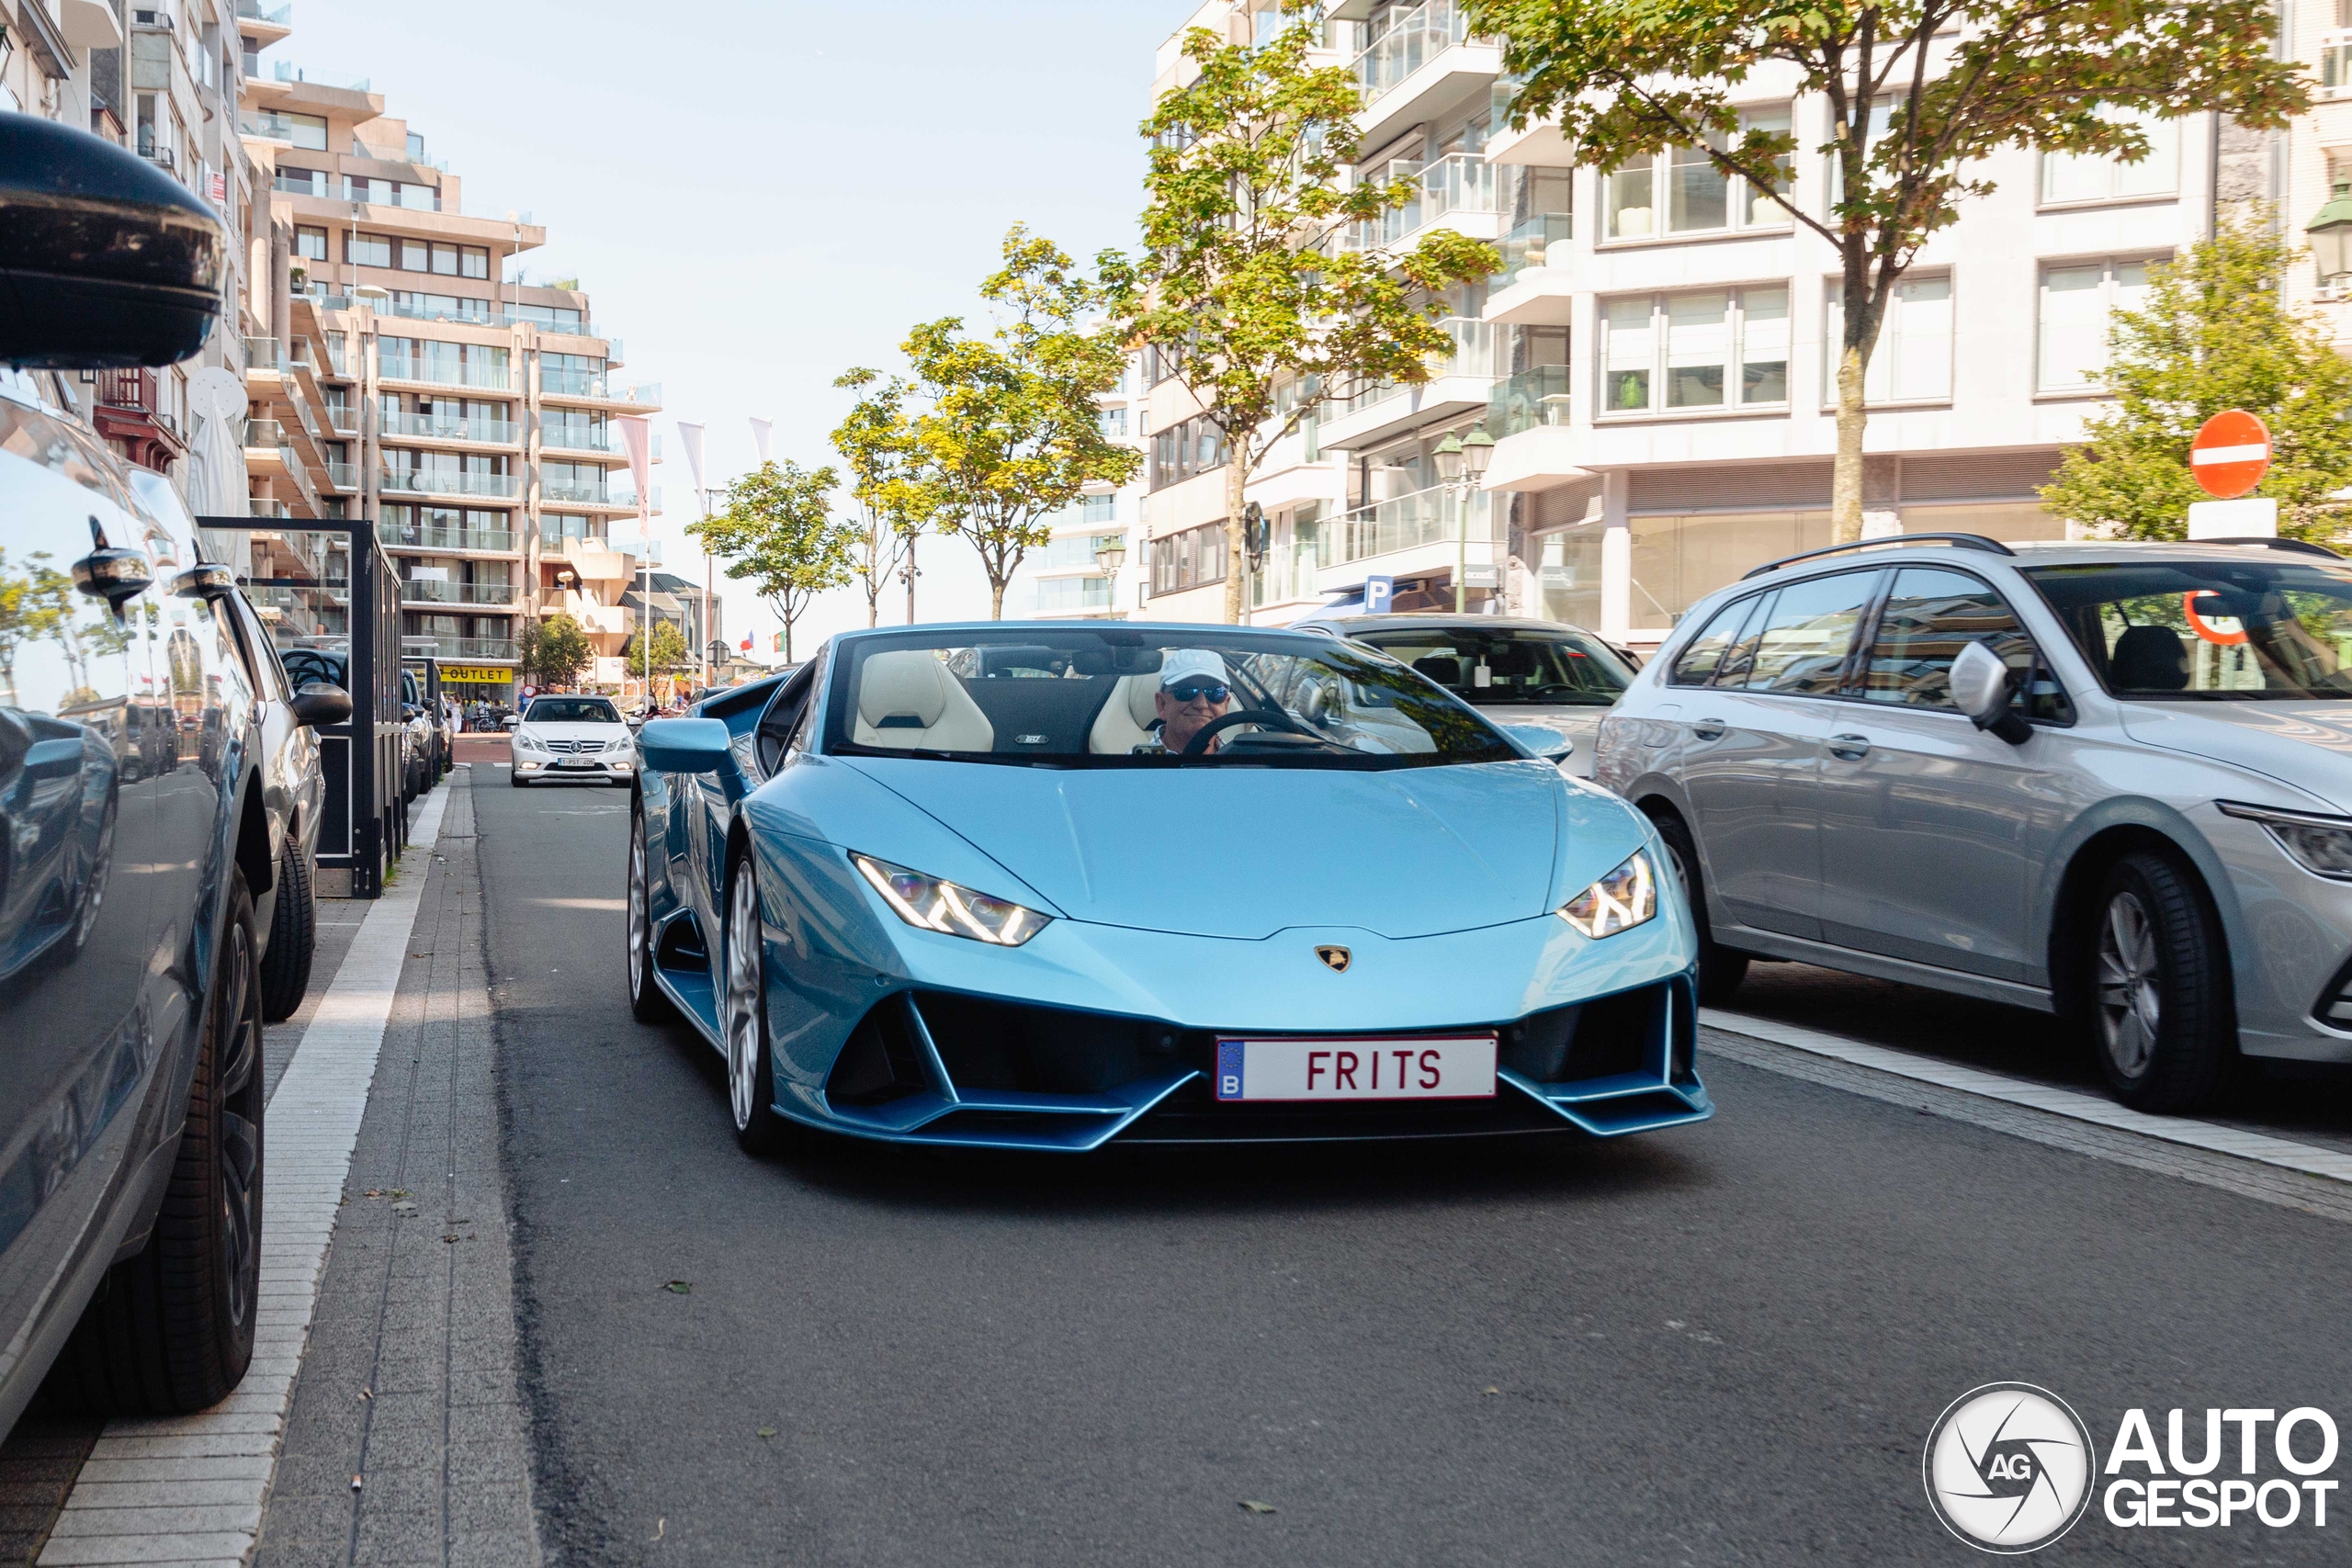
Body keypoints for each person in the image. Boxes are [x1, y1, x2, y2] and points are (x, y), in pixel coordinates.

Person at [1133, 649, 1235, 755]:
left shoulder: (1244, 766)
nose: (1201, 704)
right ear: (1162, 704)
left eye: (1215, 693)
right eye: (1186, 691)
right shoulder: (1129, 769)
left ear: (1226, 705)